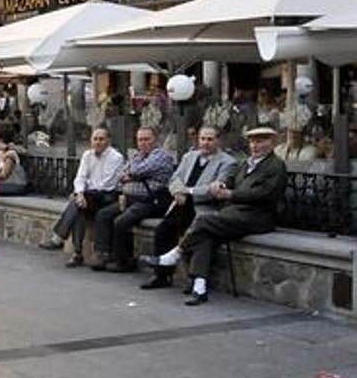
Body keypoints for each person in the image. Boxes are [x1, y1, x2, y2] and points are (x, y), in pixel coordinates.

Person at [141, 127, 287, 305]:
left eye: (261, 141)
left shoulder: (275, 165)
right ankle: (199, 287)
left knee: (203, 221)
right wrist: (221, 184)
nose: (255, 146)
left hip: (258, 217)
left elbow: (264, 194)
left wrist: (231, 195)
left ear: (272, 143)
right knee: (205, 234)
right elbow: (230, 181)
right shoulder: (246, 163)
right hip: (234, 213)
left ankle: (174, 254)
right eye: (253, 142)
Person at [140, 126, 236, 290]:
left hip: (205, 208)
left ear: (218, 141)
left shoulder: (228, 162)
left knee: (194, 235)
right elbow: (175, 178)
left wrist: (188, 191)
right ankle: (161, 275)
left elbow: (214, 191)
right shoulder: (189, 156)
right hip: (181, 203)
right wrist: (178, 191)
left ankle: (193, 280)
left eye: (210, 139)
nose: (205, 143)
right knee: (162, 231)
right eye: (202, 139)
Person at [91, 127, 175, 272]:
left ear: (155, 140)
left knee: (121, 221)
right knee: (103, 215)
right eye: (140, 140)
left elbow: (135, 170)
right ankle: (103, 254)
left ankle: (124, 261)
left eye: (146, 139)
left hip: (150, 201)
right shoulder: (137, 156)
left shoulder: (161, 156)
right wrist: (133, 174)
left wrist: (132, 174)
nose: (143, 143)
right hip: (130, 199)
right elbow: (123, 174)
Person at [37, 127, 124, 267]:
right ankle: (77, 253)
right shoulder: (87, 155)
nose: (98, 142)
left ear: (108, 140)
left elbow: (106, 184)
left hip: (108, 196)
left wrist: (82, 193)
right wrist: (80, 193)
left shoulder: (116, 157)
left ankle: (59, 238)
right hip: (89, 196)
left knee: (78, 203)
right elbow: (80, 178)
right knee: (79, 208)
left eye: (101, 139)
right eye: (95, 139)